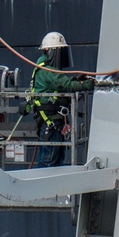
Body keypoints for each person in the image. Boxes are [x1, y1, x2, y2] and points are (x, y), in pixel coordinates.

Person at [27, 32, 96, 167]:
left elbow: (60, 84)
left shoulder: (46, 70)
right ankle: (42, 187)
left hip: (54, 123)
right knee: (48, 163)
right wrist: (88, 84)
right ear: (49, 51)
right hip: (51, 124)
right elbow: (65, 85)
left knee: (55, 162)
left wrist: (76, 80)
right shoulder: (47, 71)